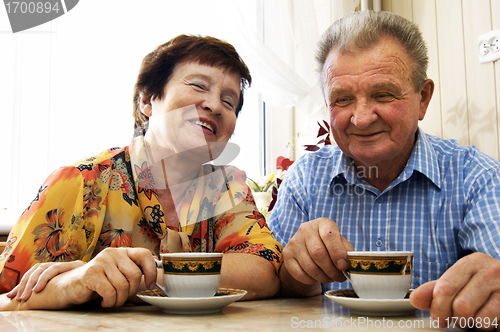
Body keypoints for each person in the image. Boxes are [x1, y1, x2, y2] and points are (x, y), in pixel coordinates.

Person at [0, 34, 282, 310]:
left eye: (229, 101)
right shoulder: (78, 182)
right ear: (147, 100)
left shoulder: (227, 188)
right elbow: (5, 300)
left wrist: (139, 277)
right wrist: (77, 280)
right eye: (198, 86)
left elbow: (265, 270)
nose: (215, 105)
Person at [269, 10, 500, 329]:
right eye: (342, 99)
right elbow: (278, 290)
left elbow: (495, 275)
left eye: (383, 94)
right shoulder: (304, 181)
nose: (361, 118)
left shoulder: (476, 176)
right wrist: (296, 275)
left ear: (423, 98)